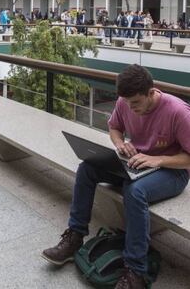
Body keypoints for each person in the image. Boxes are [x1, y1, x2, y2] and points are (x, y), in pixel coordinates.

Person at [42, 64, 190, 289]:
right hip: (136, 163)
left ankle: (136, 271)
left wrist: (158, 160)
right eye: (127, 103)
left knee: (135, 191)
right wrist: (120, 144)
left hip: (173, 172)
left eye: (136, 103)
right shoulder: (125, 102)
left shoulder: (178, 112)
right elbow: (114, 128)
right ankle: (75, 236)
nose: (131, 108)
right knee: (87, 168)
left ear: (152, 92)